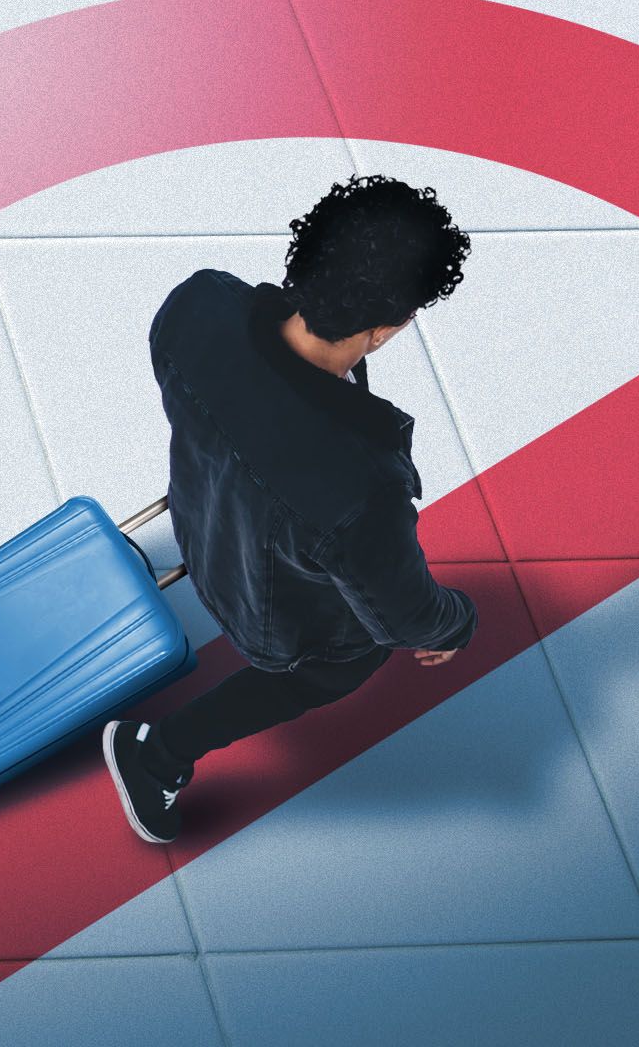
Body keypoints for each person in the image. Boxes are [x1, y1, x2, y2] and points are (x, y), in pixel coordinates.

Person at [103, 174, 479, 843]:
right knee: (351, 658)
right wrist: (453, 625)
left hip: (199, 520)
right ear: (383, 331)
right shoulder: (362, 485)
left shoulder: (199, 303)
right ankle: (155, 753)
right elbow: (403, 619)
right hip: (272, 620)